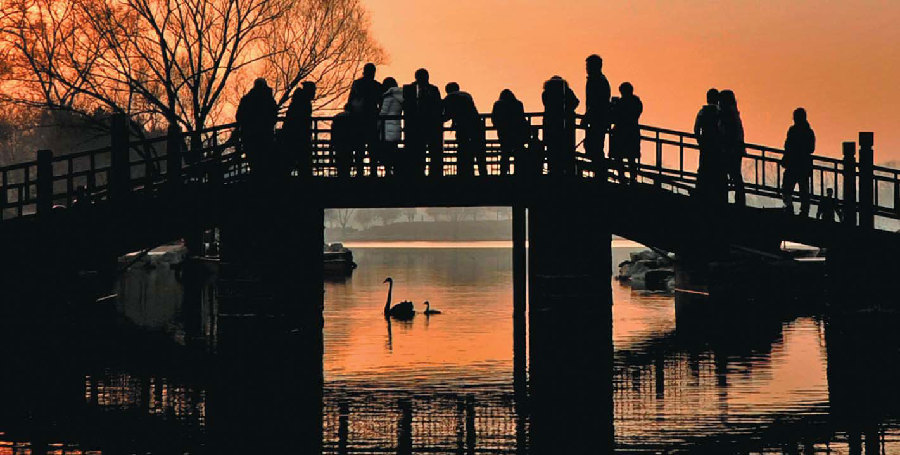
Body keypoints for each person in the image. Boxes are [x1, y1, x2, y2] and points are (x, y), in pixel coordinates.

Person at [402, 69, 443, 178]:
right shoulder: (410, 89)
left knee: (430, 151)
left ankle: (433, 174)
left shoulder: (432, 89)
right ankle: (419, 173)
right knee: (418, 151)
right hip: (417, 125)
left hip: (428, 124)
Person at [236, 78, 278, 182]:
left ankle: (256, 185)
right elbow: (274, 116)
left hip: (250, 136)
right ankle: (264, 186)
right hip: (265, 136)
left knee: (254, 162)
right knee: (265, 161)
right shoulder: (269, 99)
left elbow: (239, 116)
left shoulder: (247, 99)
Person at [347, 63, 383, 176]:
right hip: (371, 119)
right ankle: (373, 172)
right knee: (372, 148)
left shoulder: (357, 84)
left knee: (359, 148)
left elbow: (350, 102)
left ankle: (360, 172)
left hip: (358, 120)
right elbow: (381, 103)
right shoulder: (377, 86)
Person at [443, 82, 486, 177]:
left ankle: (465, 173)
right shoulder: (467, 95)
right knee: (478, 150)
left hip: (462, 126)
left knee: (463, 149)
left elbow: (447, 115)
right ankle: (483, 173)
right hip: (476, 124)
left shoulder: (449, 97)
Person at [541, 75, 579, 176]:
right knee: (567, 148)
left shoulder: (546, 93)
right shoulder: (567, 91)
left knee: (552, 148)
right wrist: (568, 110)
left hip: (551, 123)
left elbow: (545, 104)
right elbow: (576, 102)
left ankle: (553, 170)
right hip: (566, 125)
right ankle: (568, 170)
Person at [781, 107, 816, 216]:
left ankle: (789, 206)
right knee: (804, 189)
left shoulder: (792, 130)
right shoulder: (809, 132)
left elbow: (787, 145)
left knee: (786, 188)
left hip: (792, 164)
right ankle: (804, 211)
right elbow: (811, 148)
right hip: (804, 165)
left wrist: (787, 157)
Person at [693, 88, 725, 202]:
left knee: (703, 168)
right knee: (717, 169)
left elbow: (696, 128)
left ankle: (701, 191)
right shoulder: (720, 113)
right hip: (717, 145)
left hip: (706, 143)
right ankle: (717, 195)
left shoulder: (703, 112)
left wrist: (699, 140)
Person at [583, 54, 611, 172]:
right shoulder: (599, 80)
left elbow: (596, 102)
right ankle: (600, 172)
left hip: (597, 119)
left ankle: (600, 173)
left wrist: (587, 116)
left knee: (594, 146)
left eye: (588, 66)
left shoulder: (597, 81)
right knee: (593, 146)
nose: (586, 68)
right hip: (599, 119)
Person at [491, 89, 529, 176]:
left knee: (505, 154)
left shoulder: (498, 104)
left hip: (504, 133)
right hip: (517, 133)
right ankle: (519, 173)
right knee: (518, 153)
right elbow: (521, 118)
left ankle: (503, 173)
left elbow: (494, 118)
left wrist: (498, 126)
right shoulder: (518, 104)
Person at [610, 82, 643, 183]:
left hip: (621, 133)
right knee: (631, 157)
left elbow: (615, 116)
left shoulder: (621, 103)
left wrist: (613, 106)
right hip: (632, 132)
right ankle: (633, 178)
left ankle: (622, 176)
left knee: (619, 157)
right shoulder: (637, 102)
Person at [282, 81, 316, 177]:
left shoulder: (298, 101)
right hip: (299, 136)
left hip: (293, 135)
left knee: (291, 161)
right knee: (303, 161)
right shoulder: (304, 103)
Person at [718, 89, 746, 206]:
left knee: (726, 175)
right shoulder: (734, 114)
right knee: (736, 176)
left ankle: (724, 199)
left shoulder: (726, 115)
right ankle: (739, 201)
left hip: (729, 150)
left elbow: (726, 133)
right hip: (736, 149)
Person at [378, 77, 403, 176]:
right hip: (396, 127)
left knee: (386, 151)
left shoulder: (388, 97)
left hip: (387, 129)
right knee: (393, 149)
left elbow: (383, 113)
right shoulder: (400, 97)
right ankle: (395, 171)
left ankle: (388, 171)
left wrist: (378, 125)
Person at [331, 104, 353, 178]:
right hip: (348, 141)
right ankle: (346, 175)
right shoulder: (352, 117)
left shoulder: (337, 116)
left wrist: (333, 140)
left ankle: (340, 174)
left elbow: (333, 130)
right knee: (347, 158)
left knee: (339, 158)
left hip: (339, 140)